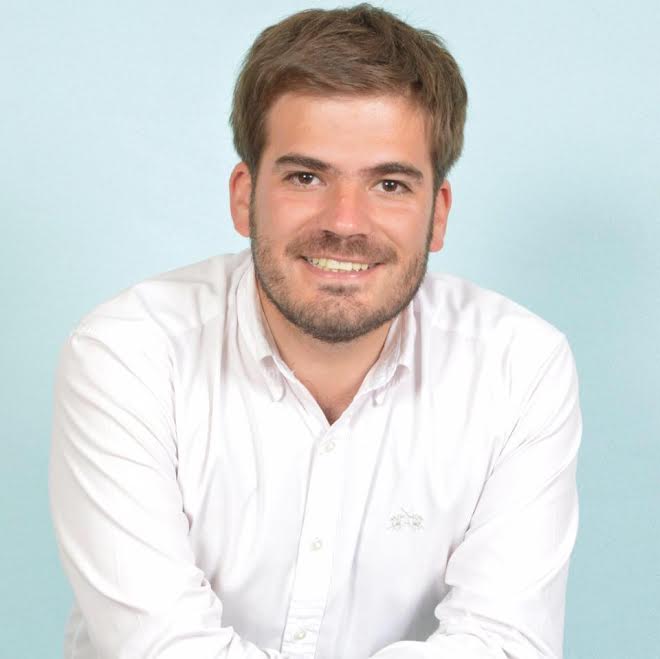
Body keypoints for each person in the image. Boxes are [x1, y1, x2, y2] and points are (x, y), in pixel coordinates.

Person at [49, 4, 582, 658]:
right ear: (244, 196)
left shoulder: (520, 369)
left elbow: (504, 643)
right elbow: (161, 647)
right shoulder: (128, 354)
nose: (345, 222)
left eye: (390, 183)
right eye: (306, 177)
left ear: (438, 215)